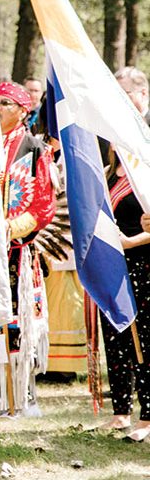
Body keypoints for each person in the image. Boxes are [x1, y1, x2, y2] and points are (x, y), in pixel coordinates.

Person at [0, 81, 55, 415]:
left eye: (6, 103)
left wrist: (8, 228)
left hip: (16, 252)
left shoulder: (35, 149)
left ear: (24, 110)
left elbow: (43, 207)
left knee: (18, 321)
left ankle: (20, 395)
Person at [99, 153, 150, 440]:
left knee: (142, 339)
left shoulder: (144, 171)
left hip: (141, 263)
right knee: (115, 338)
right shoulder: (108, 172)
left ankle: (148, 415)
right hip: (113, 264)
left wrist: (131, 242)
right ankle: (121, 411)